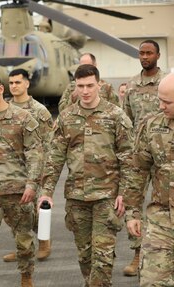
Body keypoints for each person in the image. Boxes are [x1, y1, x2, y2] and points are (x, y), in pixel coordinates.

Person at [39, 64, 134, 287]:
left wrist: (124, 193)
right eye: (81, 86)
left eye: (90, 85)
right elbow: (54, 158)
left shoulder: (115, 116)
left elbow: (128, 159)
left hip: (107, 198)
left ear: (99, 85)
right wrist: (46, 193)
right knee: (85, 257)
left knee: (102, 260)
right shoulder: (66, 118)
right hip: (76, 199)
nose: (85, 91)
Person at [0, 72, 42, 287]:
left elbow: (35, 152)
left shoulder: (22, 117)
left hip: (18, 192)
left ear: (0, 89)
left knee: (24, 241)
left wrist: (32, 184)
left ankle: (26, 277)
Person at [121, 39, 168, 277]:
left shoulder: (166, 83)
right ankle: (137, 253)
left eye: (149, 53)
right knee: (134, 200)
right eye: (141, 53)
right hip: (139, 153)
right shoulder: (132, 85)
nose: (145, 56)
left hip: (163, 153)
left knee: (162, 204)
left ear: (158, 56)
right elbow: (126, 119)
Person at [125, 73, 174, 286]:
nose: (161, 106)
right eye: (160, 100)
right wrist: (133, 212)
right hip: (161, 217)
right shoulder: (151, 126)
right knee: (152, 281)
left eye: (167, 102)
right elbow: (138, 171)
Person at [2, 68, 53, 263]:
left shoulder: (39, 111)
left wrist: (45, 171)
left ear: (27, 84)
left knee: (30, 209)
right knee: (13, 212)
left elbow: (50, 142)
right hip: (10, 169)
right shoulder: (4, 108)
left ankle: (43, 242)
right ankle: (23, 247)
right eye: (11, 82)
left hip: (32, 168)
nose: (14, 86)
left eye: (18, 82)